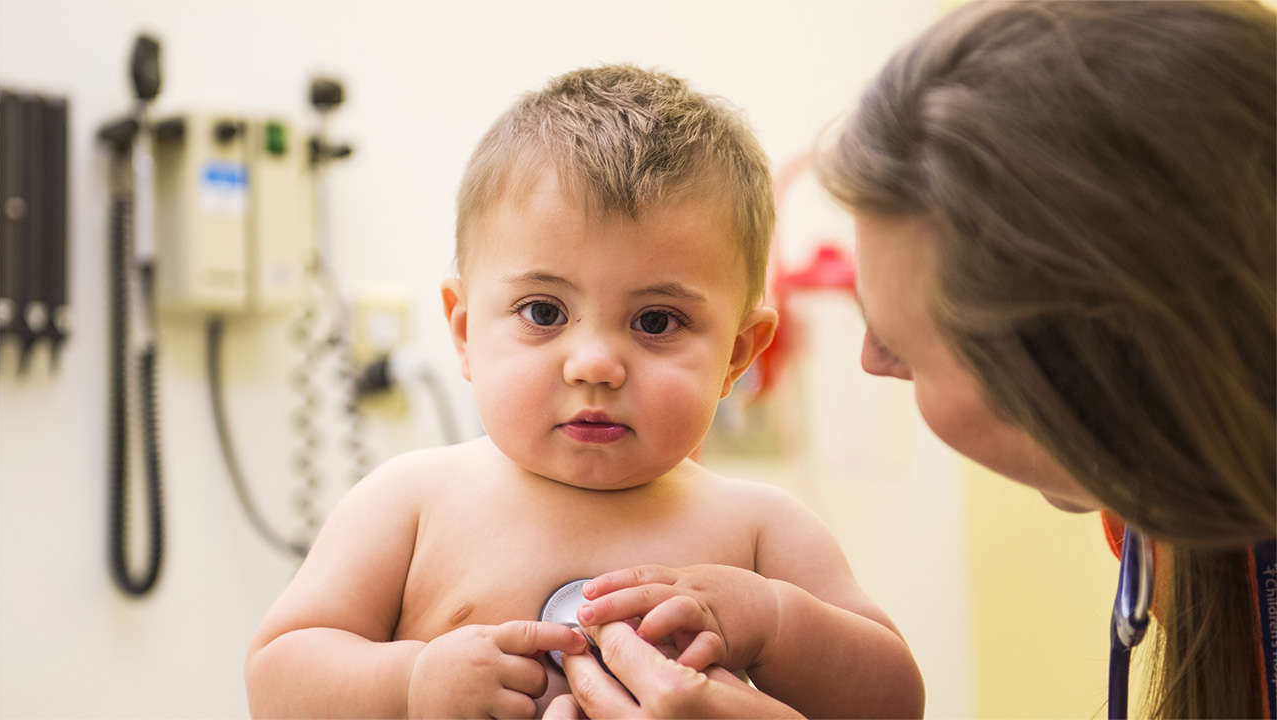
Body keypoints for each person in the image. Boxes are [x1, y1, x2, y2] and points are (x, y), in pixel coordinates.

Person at [546, 2, 1277, 719]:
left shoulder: (760, 528)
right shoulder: (1172, 521)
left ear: (1091, 359)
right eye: (543, 312)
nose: (871, 362)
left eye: (903, 341)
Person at [244, 64, 925, 719]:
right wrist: (413, 683)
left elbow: (896, 702)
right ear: (464, 330)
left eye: (656, 321)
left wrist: (777, 623)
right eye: (544, 312)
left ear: (737, 355)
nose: (594, 365)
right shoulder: (409, 503)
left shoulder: (765, 531)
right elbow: (278, 677)